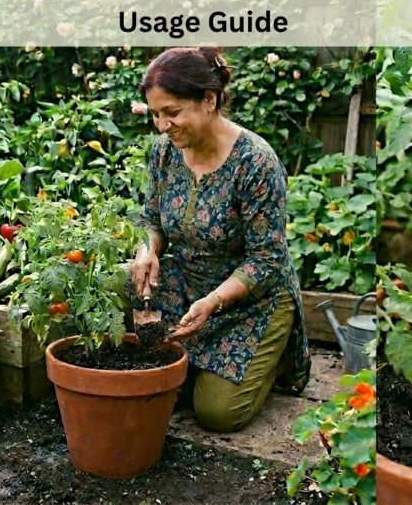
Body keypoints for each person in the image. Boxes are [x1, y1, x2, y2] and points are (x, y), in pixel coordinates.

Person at [125, 45, 311, 433]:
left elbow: (267, 260)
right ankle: (194, 365)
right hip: (188, 284)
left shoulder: (255, 162)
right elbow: (152, 219)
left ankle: (274, 357)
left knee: (216, 413)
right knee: (153, 379)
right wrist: (147, 251)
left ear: (209, 100)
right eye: (156, 114)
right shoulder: (165, 153)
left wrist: (213, 301)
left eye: (173, 112)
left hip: (251, 301)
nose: (162, 125)